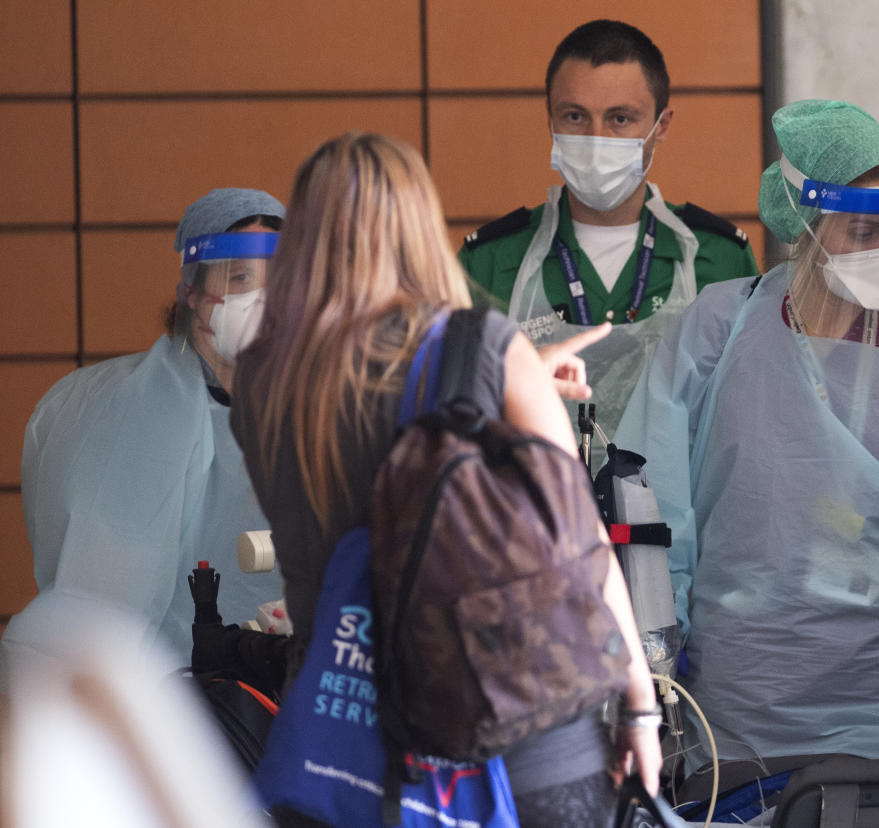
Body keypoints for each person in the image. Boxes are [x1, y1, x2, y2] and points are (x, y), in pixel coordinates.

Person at [229, 132, 661, 826]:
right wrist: (640, 707)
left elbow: (368, 426)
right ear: (417, 224)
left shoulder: (263, 375)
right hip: (515, 734)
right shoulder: (483, 345)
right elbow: (581, 550)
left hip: (346, 733)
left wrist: (509, 379)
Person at [615, 100, 879, 771]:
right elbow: (654, 512)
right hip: (746, 724)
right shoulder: (723, 328)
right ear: (804, 222)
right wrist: (654, 671)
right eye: (864, 232)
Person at [0, 189, 287, 692]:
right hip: (153, 707)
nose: (259, 300)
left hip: (280, 690)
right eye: (239, 278)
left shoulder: (303, 410)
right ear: (192, 292)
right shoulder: (122, 412)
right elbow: (101, 596)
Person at [459, 19, 758, 459]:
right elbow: (447, 415)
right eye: (575, 116)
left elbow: (752, 421)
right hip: (536, 521)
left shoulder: (718, 258)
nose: (596, 140)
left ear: (662, 125)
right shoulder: (488, 261)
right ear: (550, 119)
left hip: (681, 525)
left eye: (620, 119)